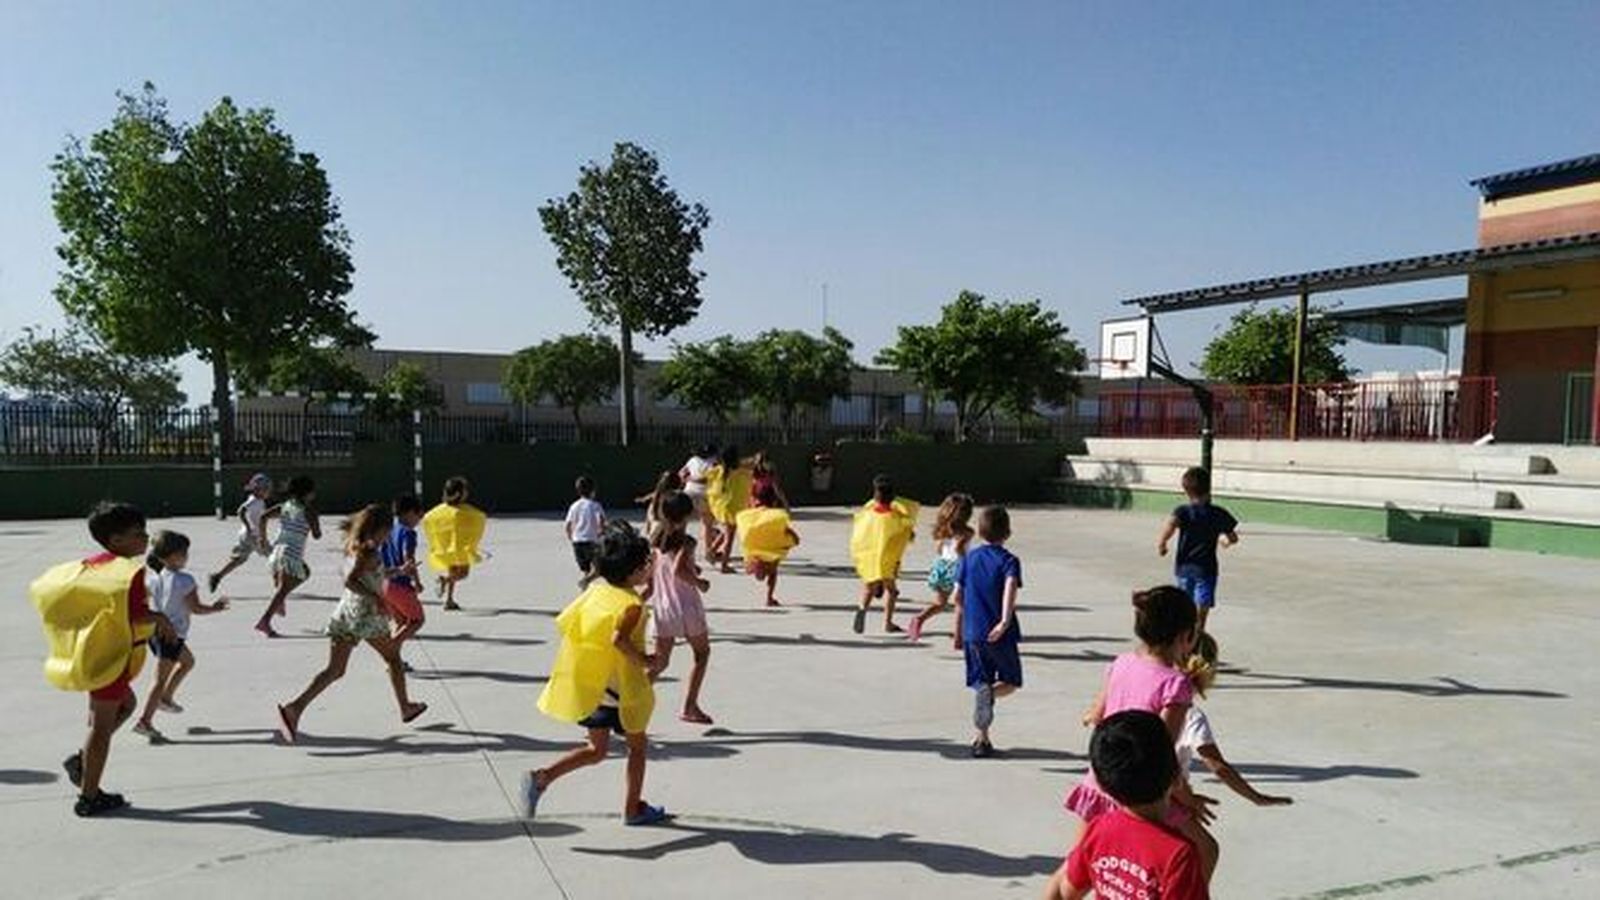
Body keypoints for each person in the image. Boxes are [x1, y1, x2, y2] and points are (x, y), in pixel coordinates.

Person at [522, 522, 670, 826]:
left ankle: (542, 778)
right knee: (638, 748)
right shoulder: (632, 604)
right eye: (644, 565)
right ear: (631, 571)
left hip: (595, 686)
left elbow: (570, 623)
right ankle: (633, 809)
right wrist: (646, 660)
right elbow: (619, 639)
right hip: (621, 690)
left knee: (596, 750)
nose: (648, 568)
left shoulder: (597, 591)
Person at [1068, 586, 1218, 879]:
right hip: (1142, 793)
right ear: (1186, 636)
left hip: (1102, 780)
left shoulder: (1121, 663)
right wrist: (1187, 799)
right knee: (1206, 849)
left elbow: (1096, 715)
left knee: (1077, 866)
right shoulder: (1175, 685)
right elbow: (1160, 754)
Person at [42, 502, 174, 816]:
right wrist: (160, 618)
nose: (144, 538)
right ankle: (89, 797)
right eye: (137, 534)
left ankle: (83, 762)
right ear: (115, 540)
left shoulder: (93, 565)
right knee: (100, 728)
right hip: (112, 658)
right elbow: (135, 613)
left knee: (125, 706)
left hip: (96, 654)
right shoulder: (126, 573)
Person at [276, 504, 427, 743]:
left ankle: (294, 709)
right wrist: (377, 598)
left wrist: (399, 571)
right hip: (364, 616)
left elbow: (373, 575)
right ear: (379, 529)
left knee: (335, 670)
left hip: (346, 613)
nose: (388, 536)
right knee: (393, 658)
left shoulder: (357, 547)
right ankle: (406, 707)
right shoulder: (368, 550)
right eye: (387, 531)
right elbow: (351, 580)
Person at [1042, 710, 1211, 900]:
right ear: (1177, 777)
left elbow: (1063, 892)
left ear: (1103, 786)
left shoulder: (1100, 829)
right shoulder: (1178, 855)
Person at [1178, 633, 1294, 809]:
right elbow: (1217, 765)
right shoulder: (1191, 715)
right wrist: (1256, 797)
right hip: (1167, 799)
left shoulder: (1151, 692)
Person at [132, 531, 228, 743]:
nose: (187, 557)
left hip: (155, 632)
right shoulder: (185, 580)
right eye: (184, 553)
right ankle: (145, 721)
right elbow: (196, 608)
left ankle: (165, 698)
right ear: (173, 556)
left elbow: (147, 603)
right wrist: (216, 608)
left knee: (188, 662)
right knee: (159, 680)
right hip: (172, 636)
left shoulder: (153, 578)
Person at [952, 506, 1022, 758]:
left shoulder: (969, 558)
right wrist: (1004, 621)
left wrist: (958, 630)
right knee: (1011, 681)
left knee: (980, 681)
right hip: (999, 634)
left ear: (980, 531)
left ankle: (982, 740)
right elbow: (1010, 587)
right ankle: (989, 694)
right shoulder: (1009, 561)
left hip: (973, 633)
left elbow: (956, 597)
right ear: (1008, 532)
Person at [644, 492, 716, 724]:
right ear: (686, 515)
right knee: (702, 654)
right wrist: (700, 583)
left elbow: (654, 577)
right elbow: (677, 571)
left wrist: (641, 598)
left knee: (660, 662)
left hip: (663, 606)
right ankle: (690, 706)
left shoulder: (656, 540)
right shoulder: (686, 541)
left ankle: (624, 699)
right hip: (685, 606)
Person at [1158, 467, 1238, 634]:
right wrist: (1224, 541)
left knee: (1184, 605)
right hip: (1206, 570)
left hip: (1184, 568)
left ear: (1186, 491)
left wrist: (1163, 542)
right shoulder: (1218, 513)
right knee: (1202, 607)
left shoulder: (1182, 511)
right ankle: (1198, 635)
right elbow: (1233, 537)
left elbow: (1171, 525)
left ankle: (1182, 638)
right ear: (1209, 489)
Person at [255, 475, 321, 638]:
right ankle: (266, 620)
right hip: (292, 553)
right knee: (288, 585)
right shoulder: (308, 510)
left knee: (303, 573)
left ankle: (279, 600)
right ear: (308, 493)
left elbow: (263, 517)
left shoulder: (285, 506)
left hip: (277, 550)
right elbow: (317, 535)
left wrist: (263, 539)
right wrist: (314, 523)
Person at [849, 474, 916, 634]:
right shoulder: (895, 516)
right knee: (892, 591)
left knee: (868, 587)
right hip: (887, 559)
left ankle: (862, 608)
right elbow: (907, 534)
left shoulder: (868, 510)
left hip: (870, 556)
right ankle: (888, 623)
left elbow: (859, 529)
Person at [908, 492, 975, 646]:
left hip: (941, 566)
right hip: (958, 568)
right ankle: (958, 639)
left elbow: (939, 549)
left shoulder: (942, 529)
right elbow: (960, 551)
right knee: (960, 604)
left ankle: (919, 618)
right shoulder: (968, 532)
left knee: (940, 603)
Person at [423, 476, 485, 611]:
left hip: (447, 547)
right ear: (458, 493)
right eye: (465, 491)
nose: (467, 493)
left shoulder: (442, 510)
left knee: (452, 570)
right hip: (460, 548)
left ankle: (449, 600)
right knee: (462, 574)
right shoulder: (464, 511)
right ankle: (444, 580)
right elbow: (477, 520)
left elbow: (430, 520)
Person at [737, 482, 800, 607]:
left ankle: (756, 564)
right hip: (773, 550)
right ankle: (769, 597)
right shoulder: (776, 516)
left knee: (758, 557)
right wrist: (793, 539)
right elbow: (789, 534)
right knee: (773, 571)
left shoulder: (746, 515)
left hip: (753, 548)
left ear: (753, 498)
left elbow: (743, 531)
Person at [207, 473, 272, 592]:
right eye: (266, 489)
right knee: (274, 556)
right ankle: (282, 582)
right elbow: (241, 511)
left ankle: (217, 576)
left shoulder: (257, 500)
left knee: (238, 559)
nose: (268, 491)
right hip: (253, 536)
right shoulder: (255, 501)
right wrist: (248, 527)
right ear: (258, 490)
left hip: (246, 536)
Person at [381, 494, 427, 661]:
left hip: (384, 583)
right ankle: (390, 647)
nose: (420, 519)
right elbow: (409, 559)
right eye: (419, 514)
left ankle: (394, 661)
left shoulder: (389, 529)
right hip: (399, 584)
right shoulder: (409, 533)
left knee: (400, 622)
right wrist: (417, 581)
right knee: (417, 620)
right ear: (409, 513)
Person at [705, 445, 753, 573]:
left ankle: (711, 552)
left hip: (723, 506)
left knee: (727, 532)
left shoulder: (718, 470)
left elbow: (705, 478)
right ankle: (724, 565)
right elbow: (751, 468)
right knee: (729, 538)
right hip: (735, 507)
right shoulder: (740, 471)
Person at [678, 445, 717, 562]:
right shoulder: (713, 462)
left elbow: (681, 472)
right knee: (707, 525)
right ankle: (708, 552)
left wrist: (687, 479)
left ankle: (678, 550)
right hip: (705, 495)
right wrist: (692, 479)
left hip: (689, 494)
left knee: (683, 523)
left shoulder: (692, 460)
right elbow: (707, 479)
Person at [565, 476, 607, 577]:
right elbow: (601, 521)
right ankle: (586, 582)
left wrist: (571, 537)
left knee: (586, 570)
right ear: (593, 491)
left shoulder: (574, 506)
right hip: (592, 541)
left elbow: (568, 525)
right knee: (597, 569)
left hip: (577, 542)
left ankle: (586, 588)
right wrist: (602, 533)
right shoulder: (596, 505)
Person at [636, 469, 683, 538]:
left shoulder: (672, 493)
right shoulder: (661, 492)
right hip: (658, 516)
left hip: (660, 516)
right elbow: (654, 495)